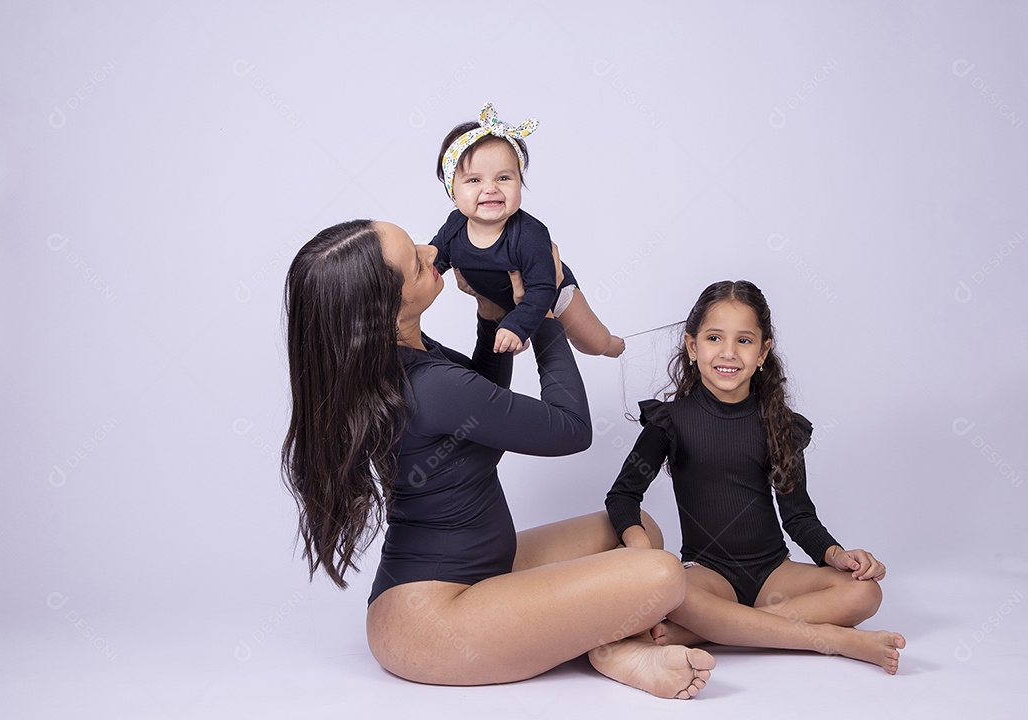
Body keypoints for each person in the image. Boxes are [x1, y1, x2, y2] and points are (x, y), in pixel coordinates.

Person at [281, 219, 714, 697]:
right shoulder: (428, 386)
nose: (431, 250)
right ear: (386, 308)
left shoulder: (399, 357)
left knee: (638, 530)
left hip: (486, 572)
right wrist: (542, 308)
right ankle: (615, 646)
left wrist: (492, 314)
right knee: (661, 573)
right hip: (433, 620)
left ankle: (605, 641)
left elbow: (481, 401)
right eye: (415, 262)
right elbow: (571, 429)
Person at [605, 280, 906, 674]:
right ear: (693, 347)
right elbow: (623, 496)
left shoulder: (779, 425)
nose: (728, 353)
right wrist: (642, 550)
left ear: (763, 352)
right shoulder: (671, 421)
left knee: (865, 593)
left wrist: (837, 555)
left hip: (774, 574)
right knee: (674, 596)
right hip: (708, 576)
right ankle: (834, 639)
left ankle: (714, 629)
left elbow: (798, 516)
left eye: (744, 341)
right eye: (714, 338)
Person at [430, 102, 625, 357]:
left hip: (551, 293)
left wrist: (517, 325)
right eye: (474, 180)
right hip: (503, 303)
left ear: (519, 182)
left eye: (503, 178)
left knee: (593, 343)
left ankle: (610, 343)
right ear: (452, 191)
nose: (490, 188)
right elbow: (433, 261)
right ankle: (519, 329)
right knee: (507, 345)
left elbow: (542, 289)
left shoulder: (529, 234)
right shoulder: (454, 227)